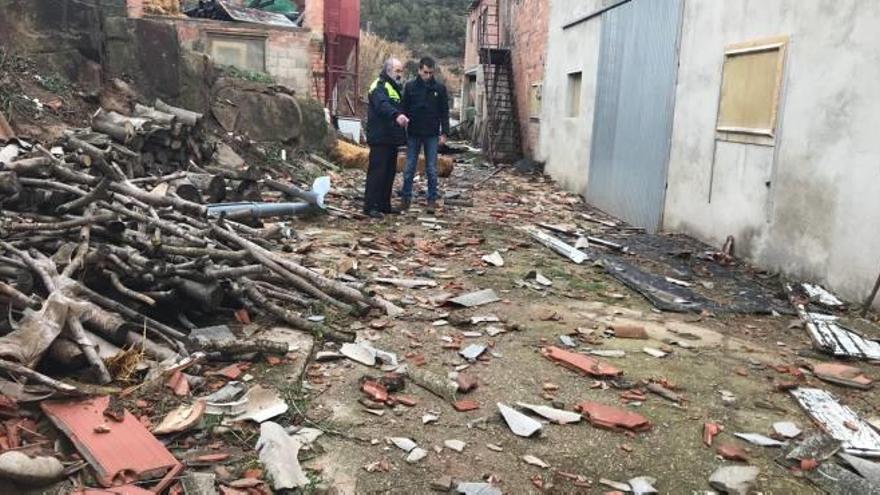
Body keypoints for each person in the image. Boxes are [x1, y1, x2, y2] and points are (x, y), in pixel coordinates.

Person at [400, 56, 450, 214]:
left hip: (431, 133)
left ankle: (431, 200)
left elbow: (444, 112)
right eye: (425, 72)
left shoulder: (439, 89)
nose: (427, 76)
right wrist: (403, 125)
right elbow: (403, 108)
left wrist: (444, 133)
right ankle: (405, 199)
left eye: (430, 73)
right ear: (419, 70)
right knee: (409, 167)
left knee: (431, 168)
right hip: (414, 132)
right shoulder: (410, 87)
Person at [364, 58, 409, 219]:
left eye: (401, 71)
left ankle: (384, 204)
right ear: (388, 70)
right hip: (380, 137)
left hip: (391, 138)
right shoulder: (379, 85)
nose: (400, 74)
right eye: (397, 71)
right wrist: (396, 115)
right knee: (377, 172)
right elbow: (382, 105)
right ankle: (370, 206)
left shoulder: (395, 87)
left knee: (389, 172)